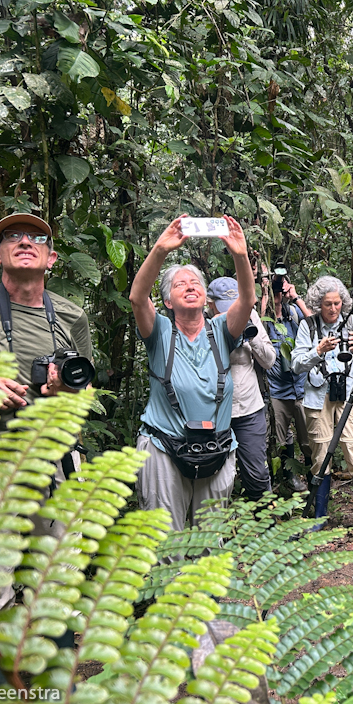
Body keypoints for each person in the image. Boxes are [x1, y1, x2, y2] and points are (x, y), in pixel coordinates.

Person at [0, 212, 94, 685]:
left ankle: (55, 685)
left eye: (37, 238)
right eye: (13, 236)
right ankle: (0, 686)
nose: (25, 241)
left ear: (51, 258)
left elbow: (84, 393)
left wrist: (62, 393)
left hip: (57, 461)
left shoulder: (71, 315)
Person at [129, 215, 255, 532]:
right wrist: (161, 248)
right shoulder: (159, 332)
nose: (189, 286)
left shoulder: (221, 330)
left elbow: (247, 299)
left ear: (205, 297)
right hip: (163, 448)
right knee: (163, 543)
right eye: (180, 284)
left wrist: (240, 255)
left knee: (210, 544)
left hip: (217, 448)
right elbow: (137, 297)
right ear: (167, 301)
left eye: (195, 282)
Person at [292, 276, 353, 534]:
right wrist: (317, 351)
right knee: (320, 456)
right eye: (327, 304)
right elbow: (295, 365)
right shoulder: (308, 326)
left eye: (337, 303)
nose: (333, 309)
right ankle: (320, 516)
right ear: (319, 304)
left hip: (350, 393)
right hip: (318, 396)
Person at [207, 276, 276, 503]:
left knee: (257, 474)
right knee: (214, 477)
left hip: (249, 409)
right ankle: (219, 530)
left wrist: (251, 334)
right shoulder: (198, 322)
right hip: (214, 413)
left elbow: (269, 361)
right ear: (210, 303)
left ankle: (267, 527)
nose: (231, 312)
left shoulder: (250, 315)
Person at [265, 274, 313, 492]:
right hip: (276, 389)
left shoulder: (293, 314)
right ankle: (289, 478)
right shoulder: (263, 317)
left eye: (278, 290)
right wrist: (265, 296)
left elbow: (315, 325)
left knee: (309, 437)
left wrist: (295, 298)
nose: (277, 295)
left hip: (301, 386)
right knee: (283, 438)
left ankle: (315, 476)